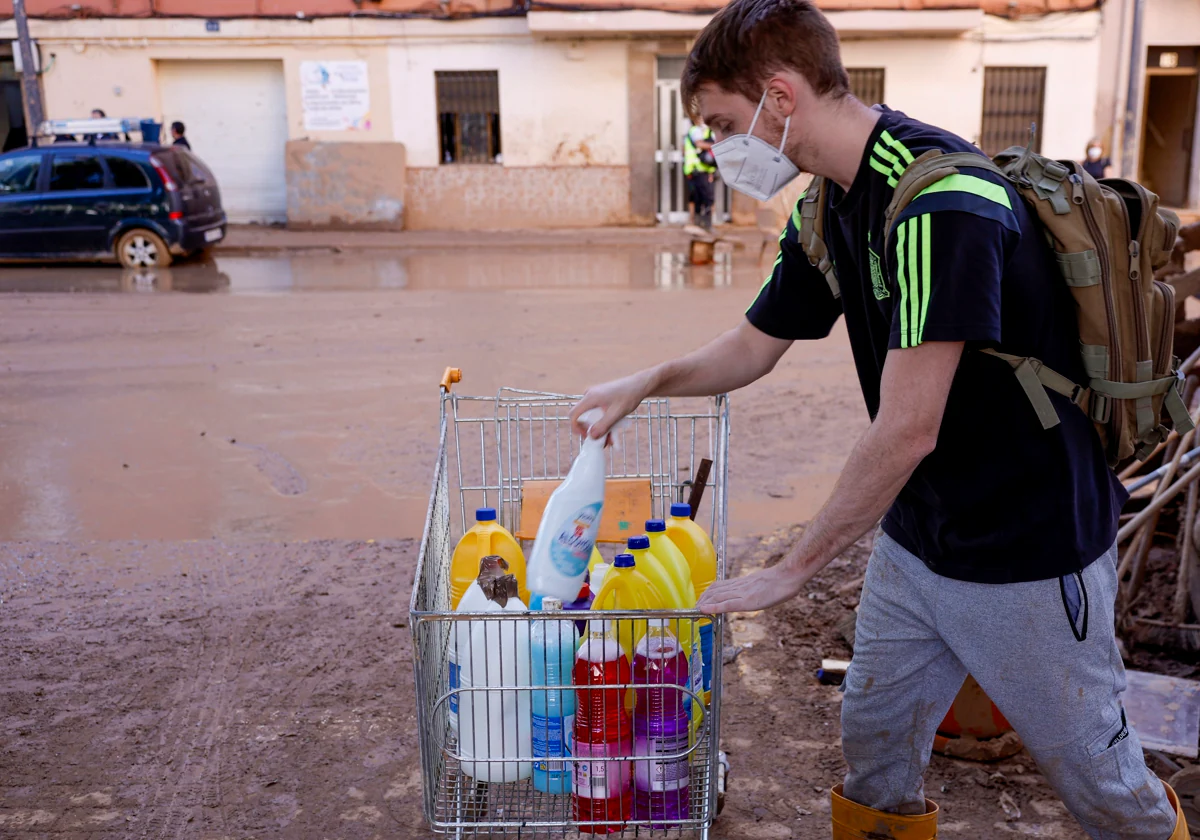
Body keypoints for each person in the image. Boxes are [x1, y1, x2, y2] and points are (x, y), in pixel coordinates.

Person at [568, 1, 1189, 838]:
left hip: (1024, 558)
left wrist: (791, 569)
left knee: (1098, 781)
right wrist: (647, 381)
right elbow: (754, 346)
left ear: (779, 98)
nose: (719, 148)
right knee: (875, 746)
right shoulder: (830, 203)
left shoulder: (944, 205)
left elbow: (907, 427)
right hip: (915, 540)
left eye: (722, 122)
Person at [683, 121, 716, 229]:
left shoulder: (709, 131)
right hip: (696, 170)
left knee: (706, 198)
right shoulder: (695, 131)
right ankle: (699, 223)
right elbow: (699, 144)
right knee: (698, 197)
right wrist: (715, 146)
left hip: (705, 170)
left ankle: (705, 223)